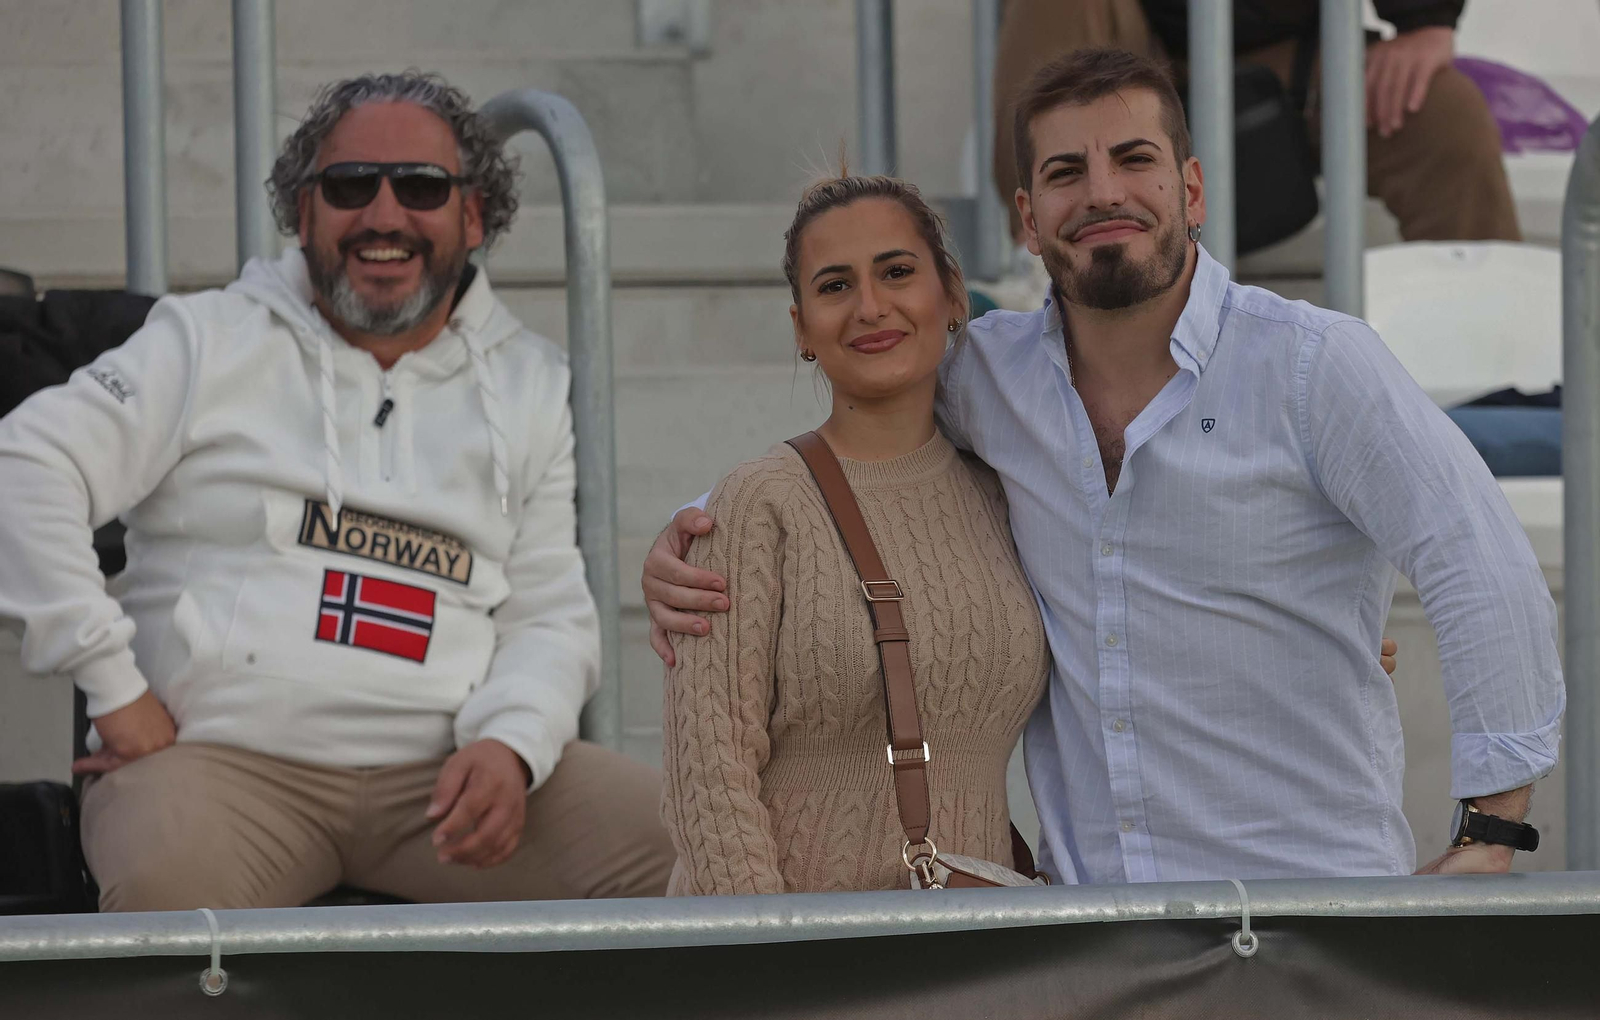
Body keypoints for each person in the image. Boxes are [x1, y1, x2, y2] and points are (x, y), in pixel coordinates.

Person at [644, 48, 1561, 884]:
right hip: (1094, 934)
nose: (1101, 193)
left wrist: (1492, 829)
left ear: (1191, 189)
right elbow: (858, 444)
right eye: (1065, 172)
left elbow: (1478, 560)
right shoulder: (988, 380)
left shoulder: (1315, 367)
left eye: (1133, 160)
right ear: (1028, 215)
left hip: (1310, 913)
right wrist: (696, 537)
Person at [0, 71, 674, 910]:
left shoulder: (533, 383)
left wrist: (513, 743)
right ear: (304, 211)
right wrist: (115, 687)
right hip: (223, 767)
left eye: (421, 187)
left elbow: (550, 612)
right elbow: (26, 463)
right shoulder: (206, 338)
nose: (384, 216)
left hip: (445, 781)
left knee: (697, 855)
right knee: (170, 900)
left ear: (473, 216)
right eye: (350, 185)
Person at [660, 175, 1052, 894]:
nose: (870, 307)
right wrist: (778, 958)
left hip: (966, 952)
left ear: (953, 295)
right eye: (835, 286)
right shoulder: (758, 502)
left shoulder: (1006, 494)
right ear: (802, 328)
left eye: (897, 272)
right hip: (804, 961)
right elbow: (708, 773)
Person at [991, 0, 1519, 246]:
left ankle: (1495, 375)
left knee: (1443, 115)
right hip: (1124, 41)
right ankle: (1049, 276)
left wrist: (1425, 19)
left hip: (1285, 51)